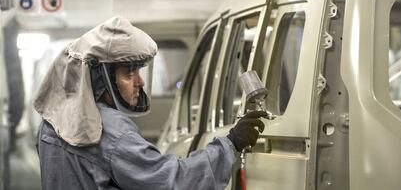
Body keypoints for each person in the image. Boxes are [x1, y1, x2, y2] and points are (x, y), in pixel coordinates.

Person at [34, 16, 266, 190]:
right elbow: (174, 181)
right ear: (100, 78)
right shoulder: (110, 132)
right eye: (129, 74)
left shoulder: (51, 123)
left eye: (139, 71)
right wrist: (231, 144)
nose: (141, 81)